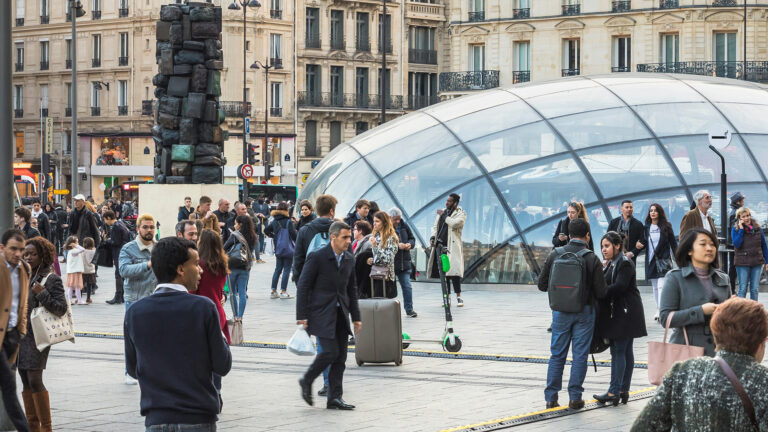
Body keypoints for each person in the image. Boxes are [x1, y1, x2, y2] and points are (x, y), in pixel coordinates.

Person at [125, 237, 232, 430]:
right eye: (196, 264)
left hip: (156, 417)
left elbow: (133, 369)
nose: (200, 270)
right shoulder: (204, 308)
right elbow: (222, 364)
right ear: (180, 270)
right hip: (197, 416)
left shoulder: (135, 312)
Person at [631, 297, 768, 431]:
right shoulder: (762, 381)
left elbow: (644, 426)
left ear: (716, 334)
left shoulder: (682, 371)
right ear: (760, 342)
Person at [537, 218, 607, 410]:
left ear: (568, 235)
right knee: (579, 355)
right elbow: (601, 293)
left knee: (557, 355)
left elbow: (542, 285)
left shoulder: (555, 254)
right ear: (588, 236)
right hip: (585, 312)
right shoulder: (592, 258)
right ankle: (575, 397)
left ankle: (551, 397)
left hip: (560, 312)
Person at [297, 221, 362, 410]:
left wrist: (356, 317)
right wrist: (302, 315)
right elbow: (303, 286)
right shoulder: (317, 257)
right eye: (345, 237)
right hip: (320, 312)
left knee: (341, 357)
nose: (349, 241)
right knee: (329, 352)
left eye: (350, 237)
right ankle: (307, 379)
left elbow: (352, 289)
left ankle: (334, 398)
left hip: (341, 313)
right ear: (333, 237)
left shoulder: (349, 258)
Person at [18, 237, 67, 432]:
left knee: (35, 379)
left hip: (38, 336)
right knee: (24, 379)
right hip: (20, 334)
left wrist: (43, 293)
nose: (28, 257)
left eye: (33, 254)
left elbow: (61, 308)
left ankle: (46, 428)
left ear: (43, 255)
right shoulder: (24, 274)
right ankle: (33, 427)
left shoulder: (51, 278)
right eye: (26, 254)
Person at [593, 232, 647, 406]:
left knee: (618, 351)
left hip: (625, 312)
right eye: (602, 246)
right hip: (626, 311)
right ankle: (623, 390)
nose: (604, 250)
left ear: (617, 246)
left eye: (607, 246)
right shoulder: (612, 263)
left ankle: (614, 391)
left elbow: (620, 286)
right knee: (625, 350)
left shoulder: (624, 263)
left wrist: (600, 291)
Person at [660, 228, 730, 357]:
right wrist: (700, 311)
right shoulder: (675, 277)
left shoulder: (723, 278)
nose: (709, 248)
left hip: (718, 351)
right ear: (689, 250)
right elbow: (665, 318)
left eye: (712, 244)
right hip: (687, 350)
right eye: (703, 244)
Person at [119, 214, 158, 384]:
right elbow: (124, 270)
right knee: (133, 337)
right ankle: (130, 371)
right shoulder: (128, 248)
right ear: (138, 229)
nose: (149, 230)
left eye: (151, 227)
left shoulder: (159, 247)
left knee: (154, 336)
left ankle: (151, 369)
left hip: (155, 298)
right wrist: (147, 265)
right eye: (145, 227)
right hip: (135, 298)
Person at [0, 229, 32, 432]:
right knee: (9, 387)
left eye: (21, 249)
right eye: (13, 249)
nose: (18, 253)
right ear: (2, 248)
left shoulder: (24, 269)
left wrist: (21, 330)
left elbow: (23, 303)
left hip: (11, 336)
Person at [639, 203, 678, 321]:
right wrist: (638, 245)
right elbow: (644, 242)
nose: (653, 212)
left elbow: (673, 244)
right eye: (651, 211)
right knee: (655, 287)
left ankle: (662, 310)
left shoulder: (666, 226)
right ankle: (658, 308)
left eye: (655, 210)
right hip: (651, 261)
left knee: (661, 286)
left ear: (660, 213)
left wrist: (678, 257)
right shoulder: (646, 227)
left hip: (663, 260)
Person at [427, 193, 466, 306]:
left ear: (455, 203)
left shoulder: (461, 214)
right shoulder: (443, 213)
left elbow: (455, 224)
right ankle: (447, 298)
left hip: (451, 247)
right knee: (444, 274)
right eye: (446, 200)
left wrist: (444, 216)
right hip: (440, 246)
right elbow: (435, 227)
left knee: (453, 273)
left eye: (449, 201)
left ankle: (459, 297)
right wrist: (433, 237)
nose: (446, 203)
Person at [293, 194, 337, 283]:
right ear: (331, 211)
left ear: (317, 211)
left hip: (311, 279)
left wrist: (301, 283)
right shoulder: (340, 229)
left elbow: (298, 259)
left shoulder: (304, 230)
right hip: (334, 282)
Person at [223, 215, 257, 319]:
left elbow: (224, 248)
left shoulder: (235, 235)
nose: (234, 225)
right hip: (245, 267)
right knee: (242, 292)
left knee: (232, 293)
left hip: (232, 266)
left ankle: (235, 315)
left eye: (236, 223)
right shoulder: (253, 236)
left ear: (240, 224)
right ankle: (240, 316)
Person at [731, 207, 768, 301]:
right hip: (742, 263)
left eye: (748, 215)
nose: (747, 218)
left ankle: (754, 312)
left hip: (757, 262)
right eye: (743, 216)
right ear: (739, 218)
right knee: (742, 289)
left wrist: (767, 261)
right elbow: (737, 244)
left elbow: (764, 245)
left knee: (754, 289)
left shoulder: (758, 228)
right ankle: (741, 311)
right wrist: (741, 230)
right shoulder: (735, 230)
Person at [265, 202, 297, 299]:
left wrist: (274, 236)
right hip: (288, 249)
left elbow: (266, 230)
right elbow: (294, 235)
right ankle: (283, 291)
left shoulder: (275, 221)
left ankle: (273, 291)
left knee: (278, 269)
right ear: (286, 210)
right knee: (287, 269)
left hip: (278, 248)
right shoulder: (288, 222)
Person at [389, 208, 417, 317]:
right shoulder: (386, 227)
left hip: (404, 262)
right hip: (391, 263)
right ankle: (387, 310)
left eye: (399, 219)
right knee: (389, 288)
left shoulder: (404, 226)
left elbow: (412, 238)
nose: (397, 221)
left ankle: (409, 309)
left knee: (407, 286)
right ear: (390, 218)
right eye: (395, 219)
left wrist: (410, 244)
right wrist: (397, 246)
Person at [369, 211, 399, 299]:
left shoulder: (391, 238)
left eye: (377, 221)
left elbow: (388, 259)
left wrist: (375, 246)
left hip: (386, 277)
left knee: (383, 307)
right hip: (375, 274)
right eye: (374, 221)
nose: (374, 224)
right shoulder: (376, 236)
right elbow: (376, 256)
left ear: (385, 222)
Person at [104, 211, 132, 305]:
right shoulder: (121, 223)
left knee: (118, 274)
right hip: (124, 251)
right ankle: (122, 296)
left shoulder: (116, 226)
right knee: (121, 274)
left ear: (108, 218)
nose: (105, 222)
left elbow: (116, 242)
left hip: (118, 252)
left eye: (105, 219)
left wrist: (107, 241)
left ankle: (118, 296)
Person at [727, 192, 745, 293]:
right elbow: (736, 229)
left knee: (734, 267)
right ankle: (732, 290)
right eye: (742, 200)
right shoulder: (735, 213)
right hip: (735, 244)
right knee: (734, 268)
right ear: (738, 202)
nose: (743, 202)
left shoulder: (733, 211)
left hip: (733, 243)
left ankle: (732, 289)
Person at [63, 236, 86, 305]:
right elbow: (83, 249)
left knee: (71, 286)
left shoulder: (70, 251)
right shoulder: (74, 251)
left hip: (71, 271)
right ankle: (79, 300)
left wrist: (75, 245)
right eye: (77, 242)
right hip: (75, 271)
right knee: (77, 286)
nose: (78, 243)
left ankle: (70, 300)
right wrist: (76, 245)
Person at [81, 237, 97, 304]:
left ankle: (79, 298)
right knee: (89, 285)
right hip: (91, 271)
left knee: (81, 285)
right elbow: (90, 260)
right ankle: (88, 298)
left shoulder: (82, 251)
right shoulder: (93, 251)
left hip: (83, 270)